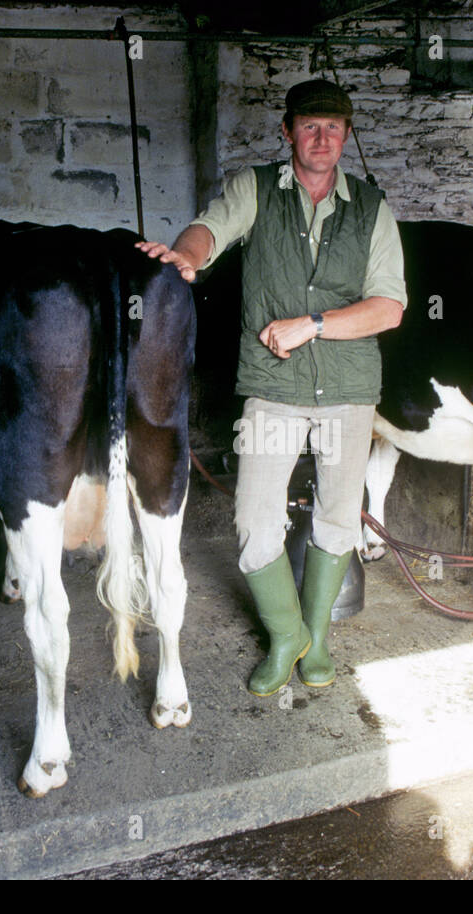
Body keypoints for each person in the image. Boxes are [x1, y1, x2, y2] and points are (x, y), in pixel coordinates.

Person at [137, 79, 406, 696]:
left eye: (334, 128)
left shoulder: (371, 208)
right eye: (310, 126)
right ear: (287, 132)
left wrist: (312, 326)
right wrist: (187, 256)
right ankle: (286, 634)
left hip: (348, 388)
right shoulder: (256, 189)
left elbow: (389, 308)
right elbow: (210, 228)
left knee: (338, 518)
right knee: (255, 518)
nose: (322, 139)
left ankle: (318, 636)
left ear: (346, 135)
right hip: (272, 386)